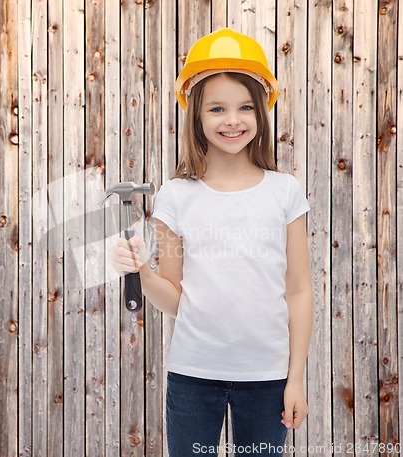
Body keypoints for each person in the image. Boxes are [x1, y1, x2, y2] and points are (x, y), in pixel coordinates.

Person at [111, 28, 313, 457]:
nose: (232, 120)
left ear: (260, 113)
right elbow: (175, 298)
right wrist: (141, 272)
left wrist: (295, 378)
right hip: (192, 376)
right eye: (217, 109)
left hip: (268, 377)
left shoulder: (285, 192)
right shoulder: (176, 196)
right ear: (197, 117)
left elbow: (298, 290)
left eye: (244, 108)